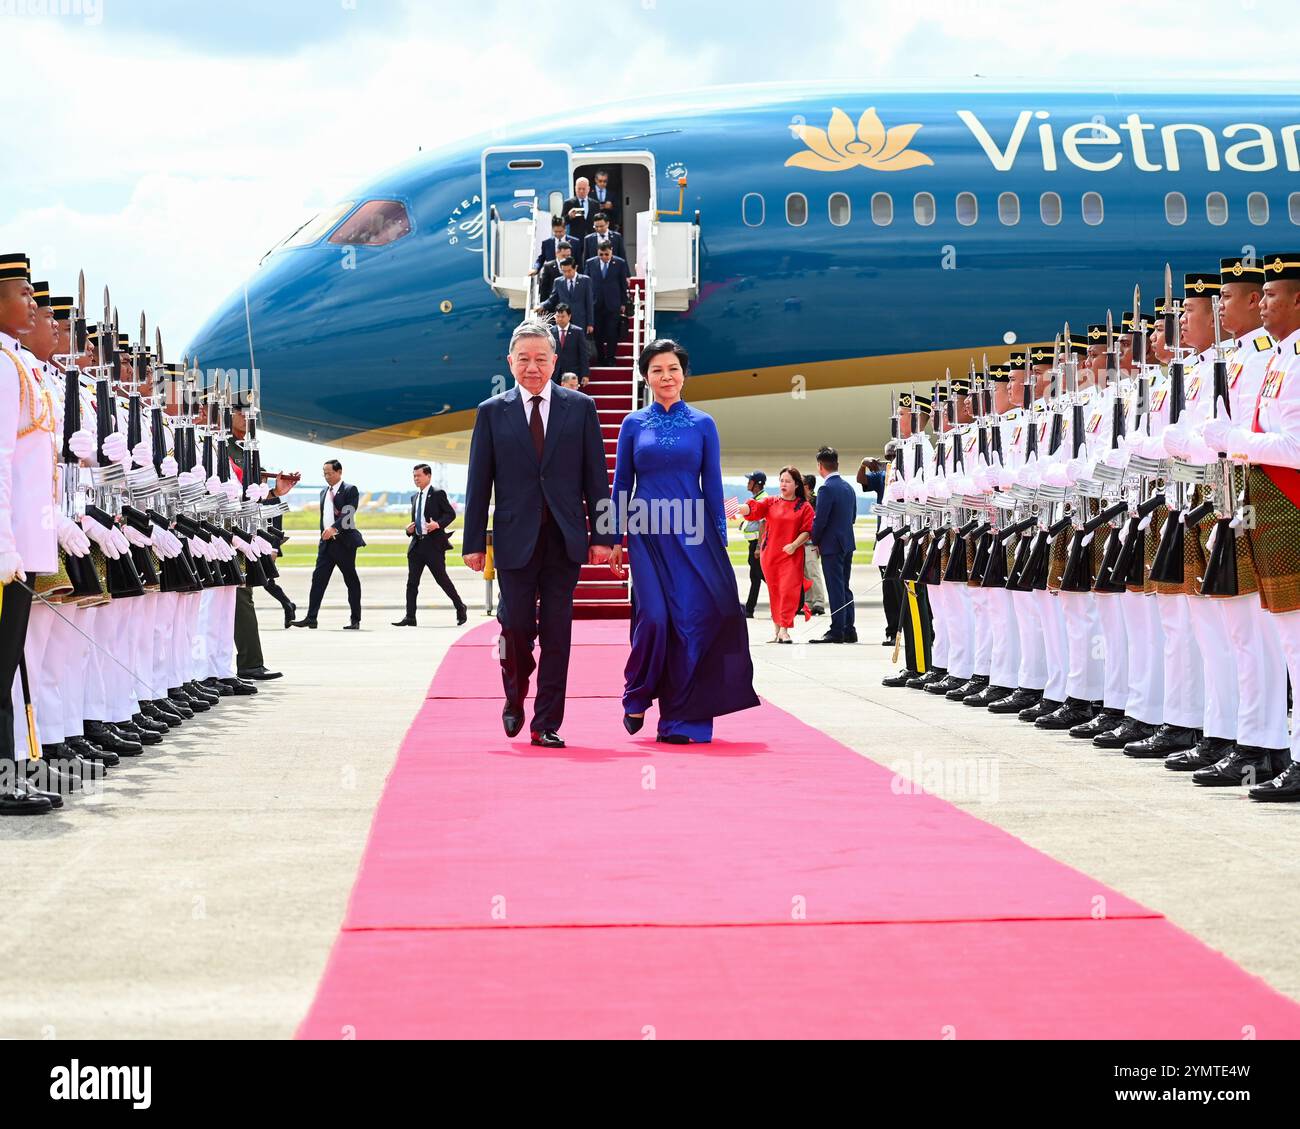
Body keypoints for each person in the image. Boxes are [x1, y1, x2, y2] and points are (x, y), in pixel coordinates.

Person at [461, 321, 618, 748]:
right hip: (514, 541)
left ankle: (546, 721)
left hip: (563, 540)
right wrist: (473, 541)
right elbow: (480, 482)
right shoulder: (492, 411)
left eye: (541, 359)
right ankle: (514, 694)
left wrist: (604, 535)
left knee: (557, 633)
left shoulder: (580, 407)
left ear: (554, 361)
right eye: (524, 359)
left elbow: (596, 479)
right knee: (514, 630)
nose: (533, 367)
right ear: (510, 362)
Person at [610, 339, 758, 741]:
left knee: (692, 624)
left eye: (673, 368)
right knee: (655, 619)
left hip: (694, 533)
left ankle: (681, 719)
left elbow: (712, 485)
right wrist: (611, 537)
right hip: (646, 532)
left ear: (684, 374)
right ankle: (637, 693)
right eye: (657, 370)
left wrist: (720, 539)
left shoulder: (703, 424)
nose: (666, 376)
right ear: (646, 377)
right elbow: (622, 483)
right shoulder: (633, 424)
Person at [736, 467, 814, 642]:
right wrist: (735, 508)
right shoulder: (771, 502)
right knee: (775, 592)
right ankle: (777, 630)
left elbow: (807, 531)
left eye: (787, 481)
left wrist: (794, 545)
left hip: (791, 555)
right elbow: (752, 509)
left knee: (788, 591)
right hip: (770, 555)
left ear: (796, 485)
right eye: (781, 481)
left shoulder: (804, 507)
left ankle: (785, 629)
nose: (783, 484)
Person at [291, 460, 365, 629]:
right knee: (318, 580)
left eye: (329, 473)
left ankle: (355, 619)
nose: (327, 476)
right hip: (326, 545)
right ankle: (311, 617)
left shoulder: (349, 490)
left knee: (351, 580)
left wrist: (333, 528)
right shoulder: (324, 492)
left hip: (343, 543)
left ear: (339, 472)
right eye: (324, 473)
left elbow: (348, 515)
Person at [393, 463, 467, 627]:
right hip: (417, 545)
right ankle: (410, 617)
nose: (416, 479)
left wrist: (438, 525)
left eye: (418, 475)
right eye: (414, 476)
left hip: (433, 546)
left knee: (442, 579)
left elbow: (451, 514)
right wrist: (409, 530)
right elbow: (417, 520)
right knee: (412, 583)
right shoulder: (414, 497)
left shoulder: (438, 494)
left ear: (428, 476)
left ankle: (460, 606)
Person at [809, 445, 858, 644]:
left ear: (821, 466)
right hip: (847, 543)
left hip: (831, 545)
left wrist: (815, 540)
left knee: (835, 588)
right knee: (845, 587)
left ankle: (837, 630)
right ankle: (849, 629)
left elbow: (820, 520)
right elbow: (853, 517)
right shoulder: (848, 487)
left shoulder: (826, 488)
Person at [584, 240, 629, 365]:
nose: (604, 257)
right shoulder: (590, 263)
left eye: (606, 254)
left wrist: (623, 303)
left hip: (613, 303)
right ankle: (600, 358)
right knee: (597, 333)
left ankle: (610, 358)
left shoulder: (620, 263)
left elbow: (622, 284)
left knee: (612, 332)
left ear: (611, 252)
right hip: (595, 303)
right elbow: (586, 283)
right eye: (601, 254)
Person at [537, 259, 593, 339]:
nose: (566, 274)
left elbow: (589, 303)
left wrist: (590, 323)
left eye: (569, 271)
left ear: (575, 268)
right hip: (564, 320)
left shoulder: (585, 280)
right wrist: (542, 305)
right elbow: (552, 299)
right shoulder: (558, 282)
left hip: (580, 320)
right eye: (564, 271)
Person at [740, 470, 766, 617]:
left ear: (757, 484)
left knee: (761, 575)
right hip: (754, 544)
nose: (748, 483)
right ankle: (749, 609)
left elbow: (763, 524)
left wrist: (758, 547)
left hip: (758, 544)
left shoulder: (762, 499)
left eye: (750, 480)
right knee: (755, 577)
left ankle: (791, 597)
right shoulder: (756, 498)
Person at [801, 473, 827, 615]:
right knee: (805, 574)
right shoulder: (800, 501)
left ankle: (819, 602)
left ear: (808, 486)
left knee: (813, 572)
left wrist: (818, 542)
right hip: (801, 544)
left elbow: (818, 523)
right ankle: (808, 602)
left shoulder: (816, 501)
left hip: (811, 543)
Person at [549, 303, 589, 382]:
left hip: (571, 373)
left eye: (563, 316)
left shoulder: (577, 332)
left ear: (569, 316)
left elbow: (583, 354)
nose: (560, 319)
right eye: (558, 316)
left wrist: (585, 374)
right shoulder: (550, 332)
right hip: (554, 373)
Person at [561, 177, 597, 248]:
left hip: (591, 239)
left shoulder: (595, 204)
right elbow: (562, 222)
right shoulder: (569, 203)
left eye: (583, 189)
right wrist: (569, 216)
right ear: (575, 188)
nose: (581, 191)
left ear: (588, 189)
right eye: (579, 189)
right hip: (575, 239)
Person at [535, 239, 576, 303]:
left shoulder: (573, 266)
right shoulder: (548, 266)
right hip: (553, 304)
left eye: (568, 256)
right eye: (563, 256)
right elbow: (544, 289)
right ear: (557, 253)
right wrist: (543, 305)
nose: (566, 258)